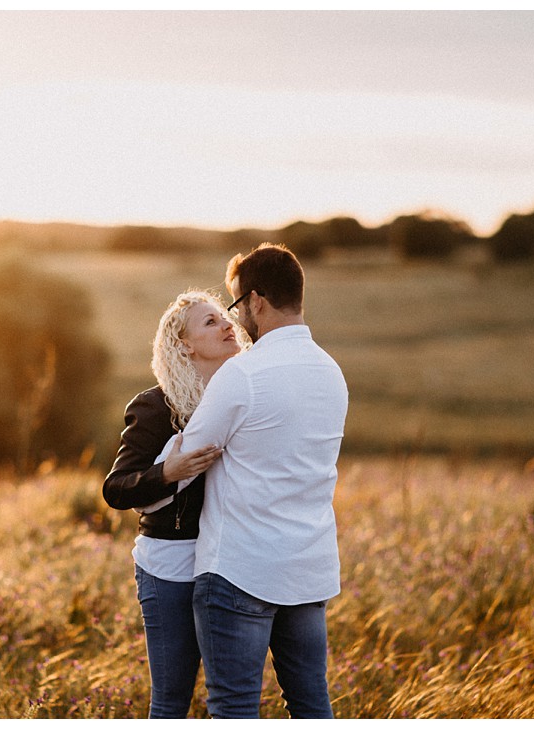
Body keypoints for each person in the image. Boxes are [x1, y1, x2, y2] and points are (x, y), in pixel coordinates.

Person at [177, 243, 349, 718]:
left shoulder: (244, 374)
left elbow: (190, 453)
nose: (237, 320)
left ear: (255, 301)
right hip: (308, 567)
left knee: (234, 710)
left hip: (241, 568)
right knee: (312, 704)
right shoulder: (332, 373)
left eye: (234, 306)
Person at [102, 290, 249, 718]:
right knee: (172, 700)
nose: (226, 325)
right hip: (171, 566)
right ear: (184, 345)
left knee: (230, 700)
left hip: (229, 565)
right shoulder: (154, 406)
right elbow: (117, 489)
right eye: (209, 322)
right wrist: (169, 471)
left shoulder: (242, 398)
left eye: (225, 317)